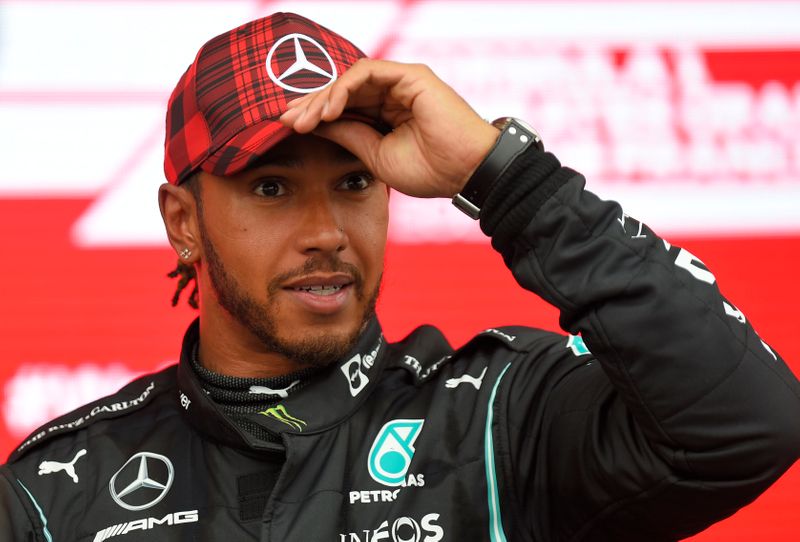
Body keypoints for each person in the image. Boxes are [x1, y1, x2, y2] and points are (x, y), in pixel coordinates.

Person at [1, 12, 798, 542]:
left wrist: (506, 179)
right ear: (183, 222)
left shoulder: (495, 419)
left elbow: (747, 424)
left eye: (355, 182)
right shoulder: (56, 493)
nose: (326, 232)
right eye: (272, 189)